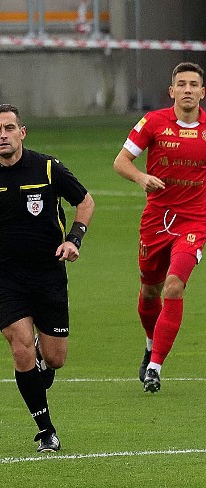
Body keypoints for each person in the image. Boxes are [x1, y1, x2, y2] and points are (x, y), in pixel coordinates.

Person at [0, 104, 95, 453]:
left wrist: (74, 240)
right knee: (20, 345)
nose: (3, 135)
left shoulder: (48, 167)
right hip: (5, 276)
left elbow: (86, 201)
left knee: (56, 358)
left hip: (48, 273)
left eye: (9, 128)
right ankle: (46, 431)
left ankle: (41, 364)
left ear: (22, 132)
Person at [112, 62, 206, 393]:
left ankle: (155, 367)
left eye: (194, 84)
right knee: (149, 291)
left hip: (194, 222)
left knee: (174, 287)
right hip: (157, 221)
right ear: (172, 91)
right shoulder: (153, 122)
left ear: (202, 92)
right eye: (181, 84)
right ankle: (151, 343)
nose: (188, 89)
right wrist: (141, 178)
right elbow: (120, 161)